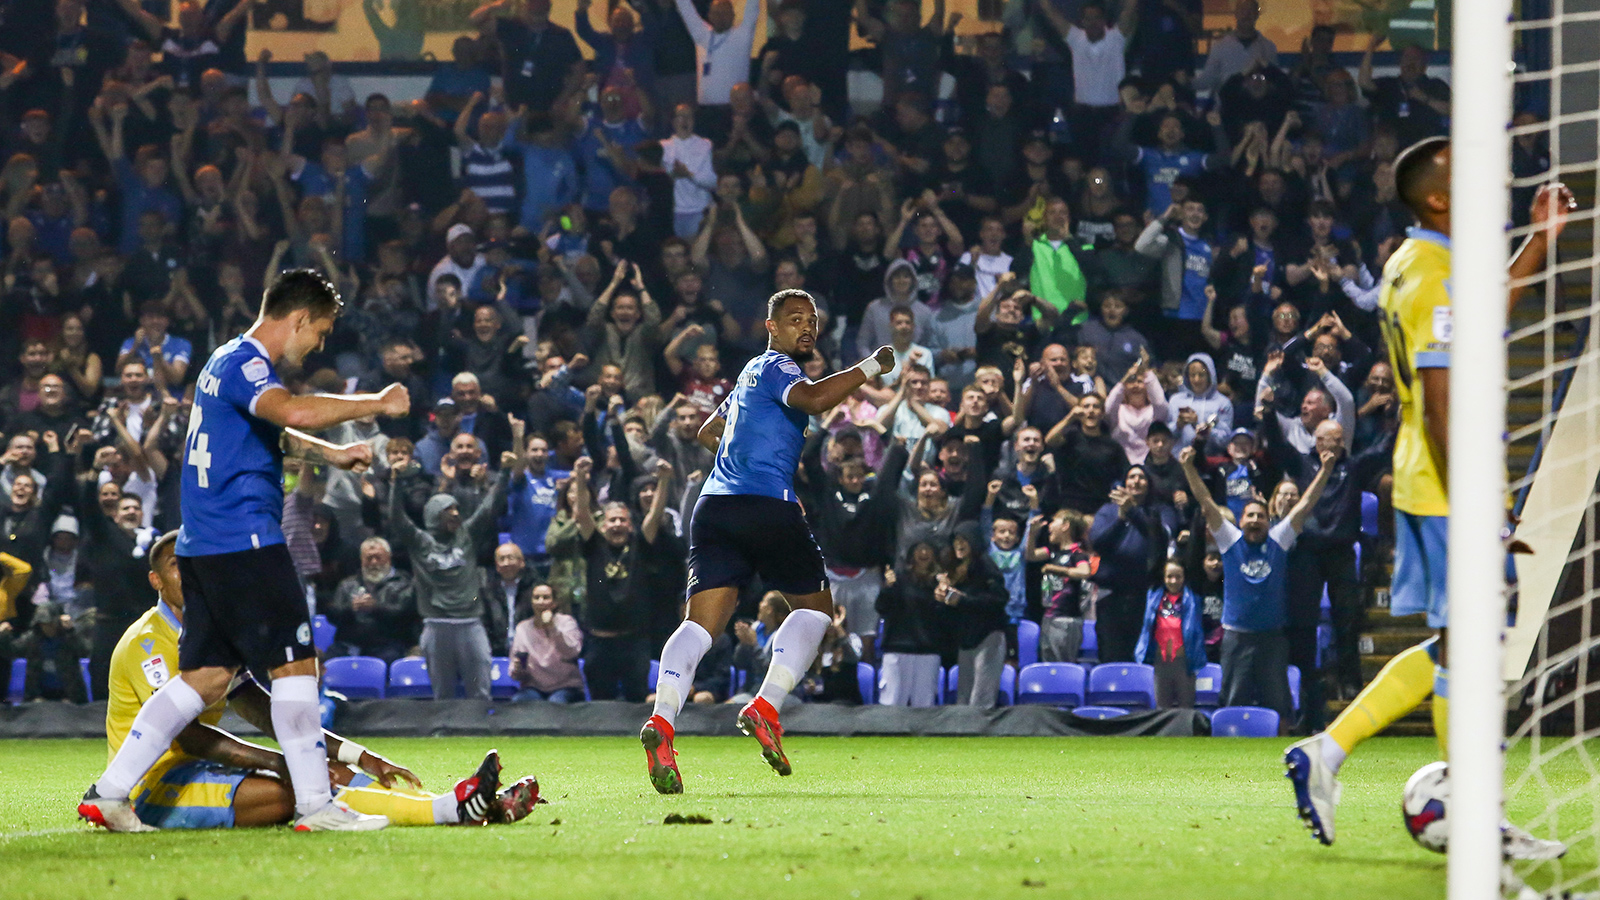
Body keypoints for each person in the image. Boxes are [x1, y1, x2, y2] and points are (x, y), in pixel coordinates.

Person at [1283, 137, 1573, 857]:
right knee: (1469, 646)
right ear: (1440, 197)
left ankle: (1326, 750)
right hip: (1447, 483)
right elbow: (1442, 398)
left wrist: (1538, 243)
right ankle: (1474, 818)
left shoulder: (1415, 261)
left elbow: (1477, 319)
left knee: (1457, 643)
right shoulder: (1435, 275)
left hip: (1430, 476)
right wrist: (1479, 501)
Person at [79, 269, 411, 833]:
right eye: (322, 331)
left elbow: (272, 431)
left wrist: (330, 457)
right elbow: (292, 411)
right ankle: (315, 806)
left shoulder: (222, 362)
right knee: (296, 666)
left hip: (203, 544)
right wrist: (374, 403)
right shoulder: (251, 364)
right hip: (246, 539)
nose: (320, 344)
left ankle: (110, 792)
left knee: (205, 678)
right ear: (299, 318)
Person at [640, 288, 897, 794]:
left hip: (715, 507)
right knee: (816, 610)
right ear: (771, 328)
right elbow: (818, 400)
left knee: (700, 625)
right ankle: (764, 707)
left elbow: (710, 431)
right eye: (795, 319)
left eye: (812, 321)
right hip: (765, 505)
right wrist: (871, 366)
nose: (807, 328)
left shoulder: (746, 378)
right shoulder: (778, 367)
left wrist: (756, 458)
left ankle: (663, 724)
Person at [102, 531, 537, 829]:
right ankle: (449, 810)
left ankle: (457, 806)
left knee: (317, 773)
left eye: (196, 563)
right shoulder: (148, 643)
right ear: (156, 580)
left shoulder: (212, 632)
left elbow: (264, 710)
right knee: (293, 793)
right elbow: (190, 736)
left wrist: (359, 755)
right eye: (178, 565)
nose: (191, 573)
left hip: (199, 770)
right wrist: (281, 762)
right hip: (154, 785)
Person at [1180, 444, 1331, 724]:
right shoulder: (1229, 541)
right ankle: (1229, 761)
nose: (1255, 521)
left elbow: (1306, 503)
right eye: (1249, 516)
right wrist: (1189, 468)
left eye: (1260, 516)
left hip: (1272, 638)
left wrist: (1325, 470)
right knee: (1233, 703)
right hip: (1237, 638)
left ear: (1268, 520)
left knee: (1279, 706)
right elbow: (1206, 502)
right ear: (1240, 520)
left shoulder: (1279, 540)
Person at [1132, 560, 1205, 709]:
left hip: (1184, 663)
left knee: (1185, 711)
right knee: (1162, 711)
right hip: (1161, 663)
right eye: (1169, 576)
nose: (1174, 581)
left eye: (1178, 577)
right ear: (1163, 578)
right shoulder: (1153, 596)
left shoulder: (1193, 598)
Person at [508, 583, 584, 702]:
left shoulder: (567, 623)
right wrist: (518, 670)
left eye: (546, 597)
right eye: (536, 598)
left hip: (565, 686)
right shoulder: (522, 628)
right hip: (533, 687)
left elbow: (572, 653)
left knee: (555, 703)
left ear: (554, 603)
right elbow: (516, 671)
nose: (541, 602)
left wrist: (552, 628)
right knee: (519, 702)